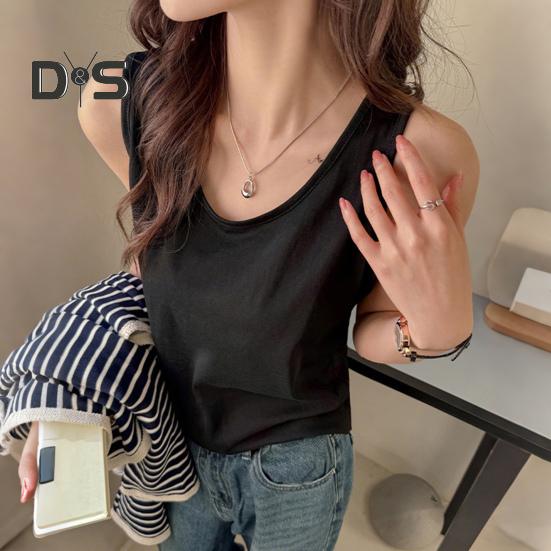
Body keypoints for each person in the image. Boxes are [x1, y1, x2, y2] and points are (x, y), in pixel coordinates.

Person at [19, 1, 479, 549]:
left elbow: (371, 328)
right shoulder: (118, 101)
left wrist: (434, 332)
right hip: (171, 447)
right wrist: (70, 394)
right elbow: (154, 284)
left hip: (297, 469)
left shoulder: (417, 154)